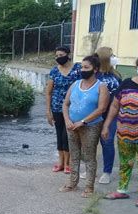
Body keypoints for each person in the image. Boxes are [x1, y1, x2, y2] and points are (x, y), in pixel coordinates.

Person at [103, 54, 138, 208]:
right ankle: (122, 190)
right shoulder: (126, 84)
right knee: (125, 163)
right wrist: (106, 125)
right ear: (137, 67)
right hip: (124, 134)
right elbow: (114, 106)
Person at [60, 55, 109, 197]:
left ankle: (89, 187)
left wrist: (83, 122)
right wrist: (67, 120)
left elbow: (101, 109)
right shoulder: (75, 84)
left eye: (86, 67)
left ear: (95, 69)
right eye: (82, 67)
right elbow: (66, 104)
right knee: (74, 155)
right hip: (71, 126)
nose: (83, 70)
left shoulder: (101, 86)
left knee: (89, 156)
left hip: (91, 126)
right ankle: (72, 183)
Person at [81, 47, 122, 184]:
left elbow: (119, 97)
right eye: (112, 55)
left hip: (110, 115)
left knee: (107, 142)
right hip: (92, 114)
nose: (114, 58)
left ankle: (107, 172)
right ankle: (89, 169)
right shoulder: (93, 74)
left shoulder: (116, 76)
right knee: (90, 143)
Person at [46, 46, 82, 174]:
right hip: (56, 107)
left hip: (73, 107)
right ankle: (60, 162)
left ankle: (68, 162)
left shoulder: (78, 69)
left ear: (68, 54)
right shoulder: (54, 71)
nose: (58, 58)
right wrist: (48, 111)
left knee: (67, 135)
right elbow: (49, 92)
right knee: (59, 134)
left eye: (61, 55)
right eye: (56, 56)